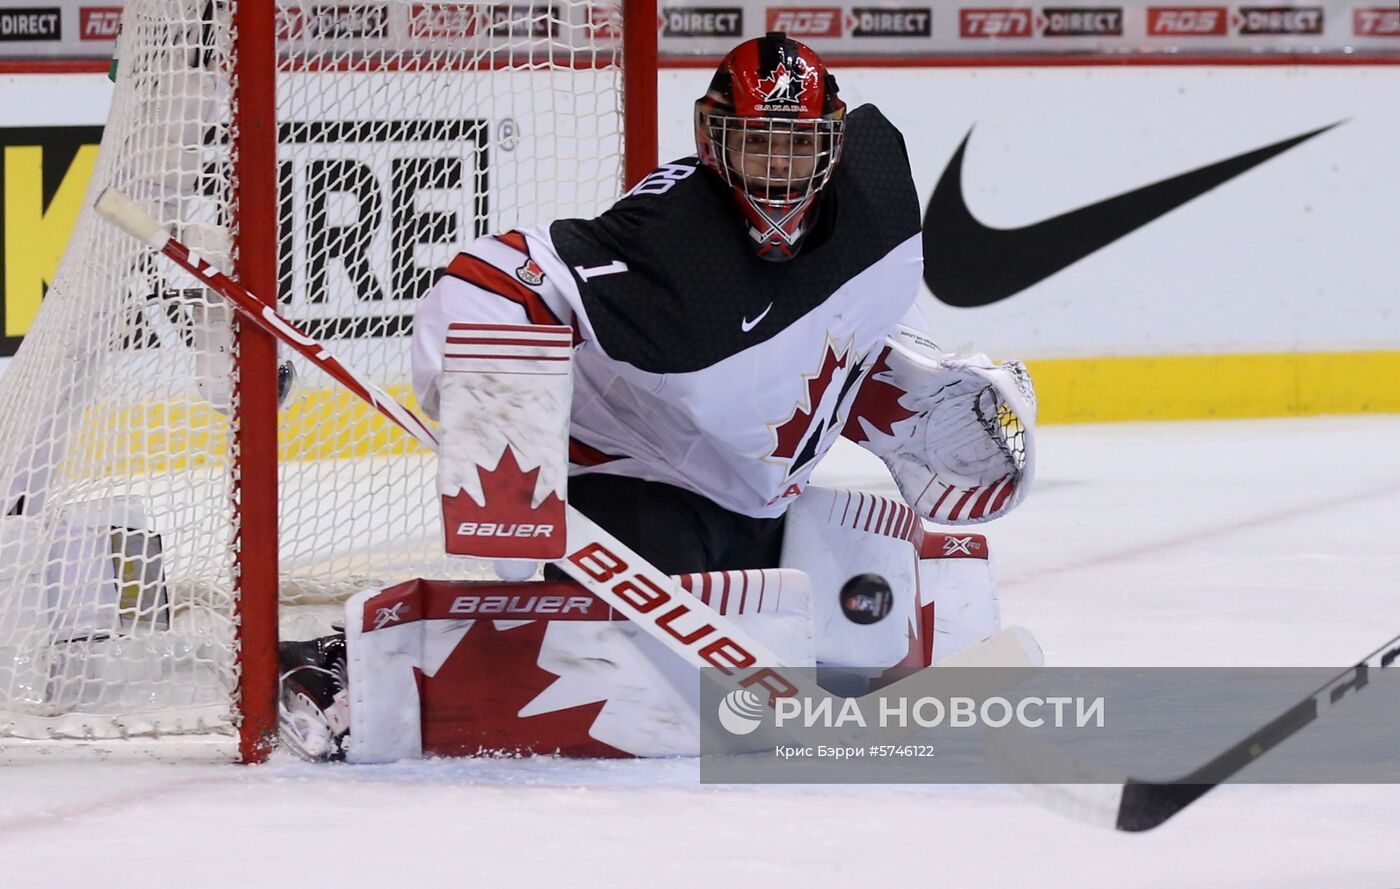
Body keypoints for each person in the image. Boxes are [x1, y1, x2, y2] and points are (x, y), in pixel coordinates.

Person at [279, 32, 1036, 759]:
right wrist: (492, 411)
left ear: (835, 145)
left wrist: (914, 392)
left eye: (799, 146)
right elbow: (492, 277)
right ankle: (344, 669)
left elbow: (819, 331)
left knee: (867, 590)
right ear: (713, 140)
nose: (779, 173)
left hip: (756, 499)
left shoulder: (881, 199)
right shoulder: (671, 243)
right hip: (632, 487)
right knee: (624, 669)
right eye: (757, 144)